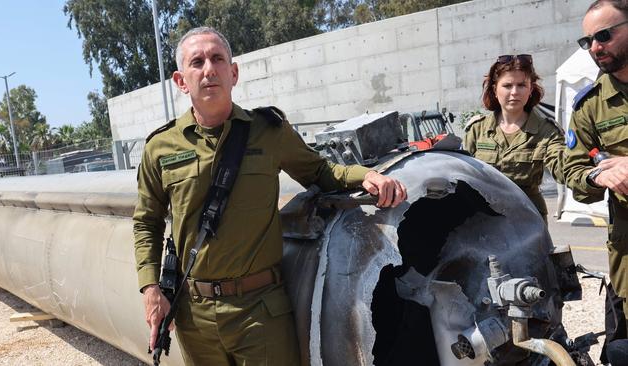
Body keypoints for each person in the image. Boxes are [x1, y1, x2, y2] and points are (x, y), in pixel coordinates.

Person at [132, 26, 407, 366]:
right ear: (181, 80)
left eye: (218, 59)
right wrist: (150, 288)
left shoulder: (269, 130)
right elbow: (146, 221)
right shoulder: (160, 147)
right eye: (197, 61)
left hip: (260, 310)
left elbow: (320, 172)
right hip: (195, 315)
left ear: (233, 73)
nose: (208, 69)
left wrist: (365, 175)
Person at [563, 0, 628, 354]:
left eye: (603, 35)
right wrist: (598, 177)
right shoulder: (590, 105)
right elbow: (574, 169)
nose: (595, 47)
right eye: (587, 41)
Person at [464, 54, 565, 223]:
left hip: (528, 218)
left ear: (531, 89)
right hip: (484, 217)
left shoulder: (546, 130)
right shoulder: (477, 129)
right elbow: (462, 173)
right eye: (507, 85)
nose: (514, 92)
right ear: (495, 89)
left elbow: (563, 167)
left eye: (521, 85)